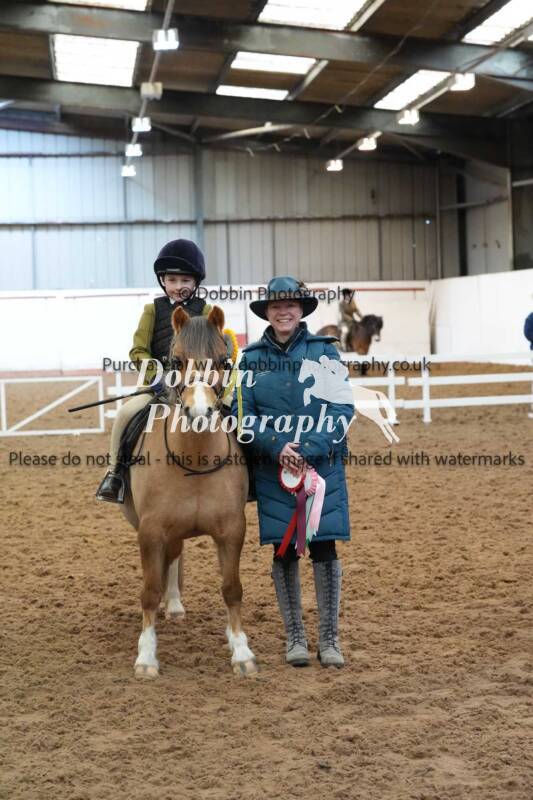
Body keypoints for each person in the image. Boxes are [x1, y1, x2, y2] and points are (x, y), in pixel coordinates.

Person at [233, 276, 354, 668]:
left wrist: (310, 448)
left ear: (301, 310)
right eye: (276, 306)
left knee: (324, 546)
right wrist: (276, 446)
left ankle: (329, 640)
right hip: (275, 470)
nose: (283, 311)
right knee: (283, 549)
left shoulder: (325, 351)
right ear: (267, 313)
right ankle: (295, 638)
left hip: (322, 466)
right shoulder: (250, 359)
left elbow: (342, 408)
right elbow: (242, 413)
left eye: (290, 305)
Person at [96, 239, 211, 503]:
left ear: (195, 282)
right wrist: (157, 377)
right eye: (172, 280)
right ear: (163, 281)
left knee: (231, 411)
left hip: (196, 384)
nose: (179, 286)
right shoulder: (152, 310)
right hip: (158, 385)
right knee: (126, 413)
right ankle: (114, 474)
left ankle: (247, 474)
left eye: (185, 280)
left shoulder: (206, 311)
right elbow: (138, 351)